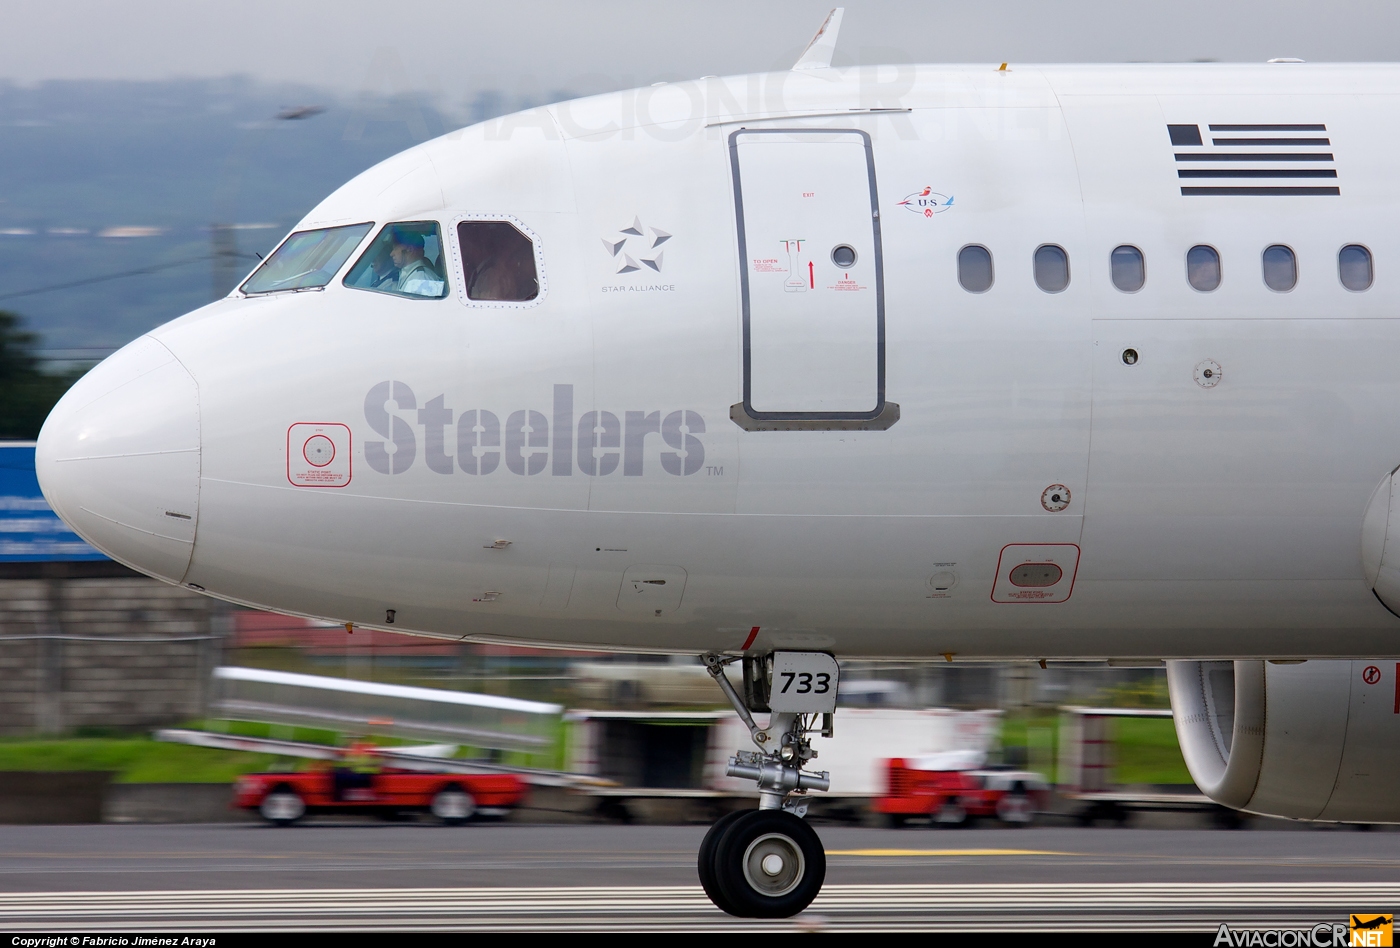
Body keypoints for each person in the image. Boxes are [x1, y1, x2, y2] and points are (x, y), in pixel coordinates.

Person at [388, 228, 445, 297]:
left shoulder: (421, 278)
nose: (391, 253)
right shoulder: (410, 274)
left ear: (410, 249)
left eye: (395, 248)